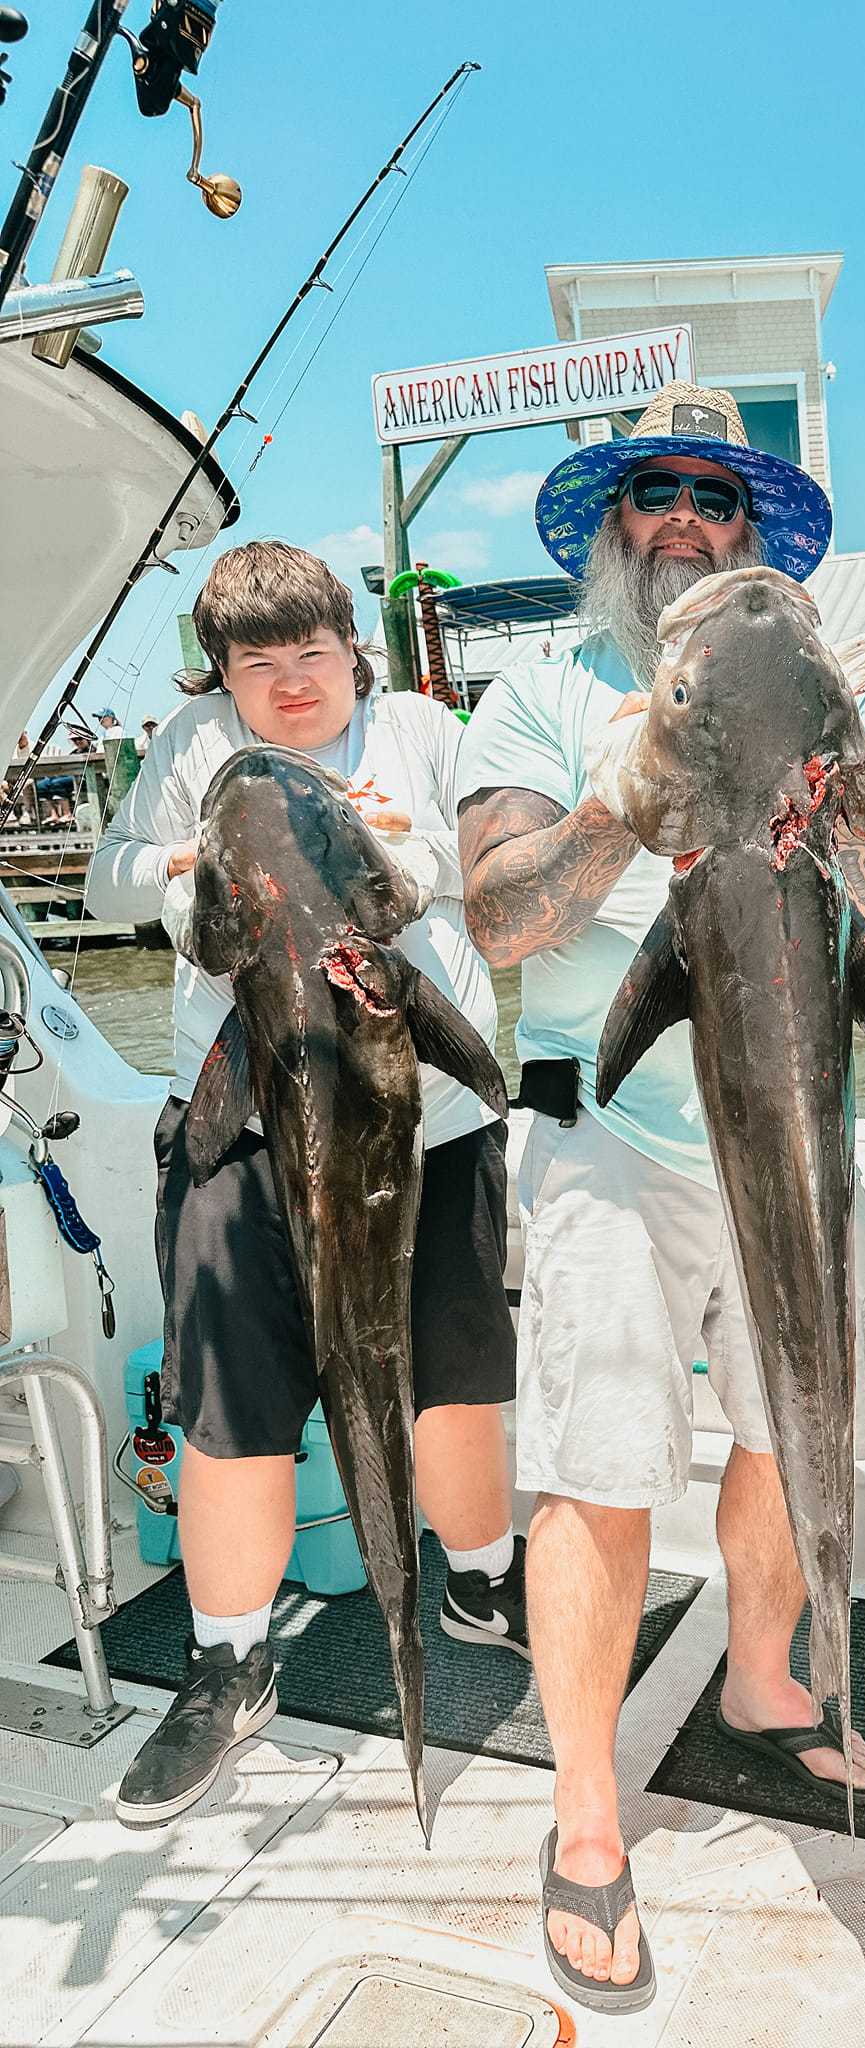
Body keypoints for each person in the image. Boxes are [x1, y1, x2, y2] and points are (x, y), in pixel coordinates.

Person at [455, 381, 865, 2012]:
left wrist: (850, 798)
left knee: (789, 1439)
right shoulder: (535, 690)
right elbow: (506, 921)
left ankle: (758, 1672)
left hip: (800, 1134)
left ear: (752, 532)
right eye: (652, 493)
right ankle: (588, 1818)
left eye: (714, 502)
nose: (683, 521)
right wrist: (622, 796)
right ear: (609, 525)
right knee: (594, 1474)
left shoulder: (820, 698)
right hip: (608, 1143)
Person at [86, 541, 519, 1829]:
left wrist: (409, 866)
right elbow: (114, 876)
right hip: (241, 1127)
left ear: (353, 646)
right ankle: (228, 1656)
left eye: (312, 655)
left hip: (424, 1122)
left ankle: (481, 1578)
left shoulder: (429, 732)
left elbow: (489, 870)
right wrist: (186, 869)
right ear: (219, 674)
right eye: (255, 666)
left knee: (454, 1375)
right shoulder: (187, 748)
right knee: (230, 1401)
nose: (288, 685)